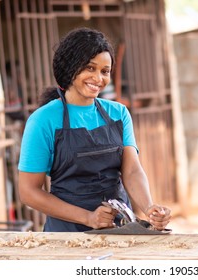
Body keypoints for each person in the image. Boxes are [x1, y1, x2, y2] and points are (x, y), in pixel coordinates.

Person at [17, 27, 171, 232]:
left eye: (105, 71)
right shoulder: (43, 120)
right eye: (90, 68)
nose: (98, 78)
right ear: (70, 68)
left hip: (119, 230)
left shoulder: (118, 113)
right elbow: (29, 192)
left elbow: (132, 170)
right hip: (67, 236)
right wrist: (88, 218)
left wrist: (149, 208)